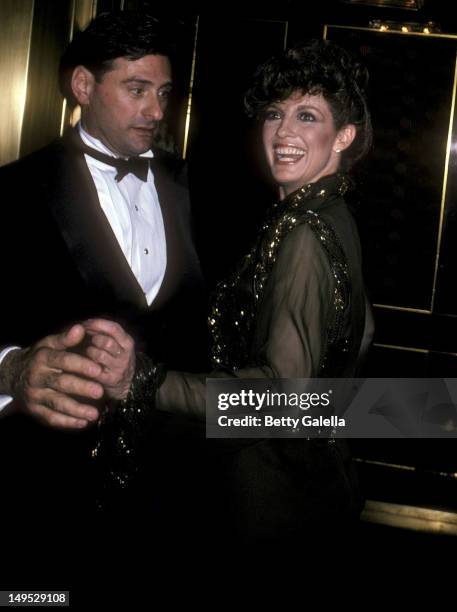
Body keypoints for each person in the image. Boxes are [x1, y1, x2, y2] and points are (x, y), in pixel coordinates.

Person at [86, 39, 374, 545]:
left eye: (307, 116)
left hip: (272, 497)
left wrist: (148, 381)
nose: (283, 131)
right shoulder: (332, 214)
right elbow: (365, 331)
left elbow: (281, 400)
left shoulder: (305, 231)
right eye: (274, 113)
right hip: (316, 474)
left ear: (344, 135)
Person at [0, 10, 206, 575]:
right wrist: (10, 371)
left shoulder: (197, 190)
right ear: (84, 85)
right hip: (46, 493)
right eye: (137, 90)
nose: (157, 112)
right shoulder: (12, 192)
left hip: (168, 501)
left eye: (164, 93)